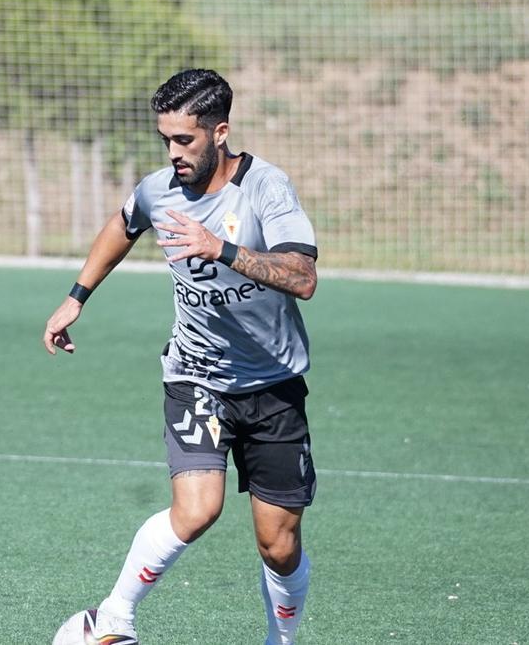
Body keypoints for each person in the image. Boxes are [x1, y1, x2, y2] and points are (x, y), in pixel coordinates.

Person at [43, 69, 318, 644]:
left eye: (184, 140)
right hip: (194, 374)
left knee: (279, 541)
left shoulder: (267, 188)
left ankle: (282, 640)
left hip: (273, 384)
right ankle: (111, 617)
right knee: (196, 510)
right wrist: (77, 297)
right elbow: (123, 225)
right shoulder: (158, 189)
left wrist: (221, 249)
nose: (173, 153)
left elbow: (303, 277)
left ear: (219, 132)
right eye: (165, 139)